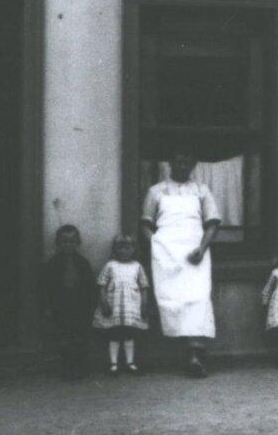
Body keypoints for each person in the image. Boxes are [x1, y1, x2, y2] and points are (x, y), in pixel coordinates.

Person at [141, 152, 221, 377]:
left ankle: (195, 356)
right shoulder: (156, 191)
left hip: (195, 251)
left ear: (193, 165)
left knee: (198, 299)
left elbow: (212, 224)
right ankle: (183, 354)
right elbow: (145, 224)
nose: (182, 166)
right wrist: (157, 246)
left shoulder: (201, 190)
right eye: (178, 162)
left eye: (187, 162)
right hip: (167, 252)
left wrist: (202, 248)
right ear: (170, 163)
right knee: (173, 299)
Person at [40, 224, 98, 379]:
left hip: (80, 306)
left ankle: (81, 367)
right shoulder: (53, 264)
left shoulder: (82, 263)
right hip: (61, 306)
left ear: (78, 243)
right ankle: (67, 368)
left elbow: (90, 285)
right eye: (64, 241)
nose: (68, 245)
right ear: (58, 244)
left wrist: (91, 304)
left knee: (81, 337)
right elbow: (47, 286)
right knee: (64, 338)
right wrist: (48, 306)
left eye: (72, 241)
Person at [93, 233, 152, 376]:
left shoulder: (137, 266)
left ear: (134, 249)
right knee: (114, 333)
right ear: (115, 249)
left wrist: (144, 304)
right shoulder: (110, 265)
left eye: (127, 248)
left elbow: (144, 286)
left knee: (128, 334)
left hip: (130, 306)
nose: (123, 251)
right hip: (114, 306)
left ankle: (130, 363)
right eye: (120, 248)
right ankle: (113, 363)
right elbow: (102, 284)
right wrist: (104, 302)